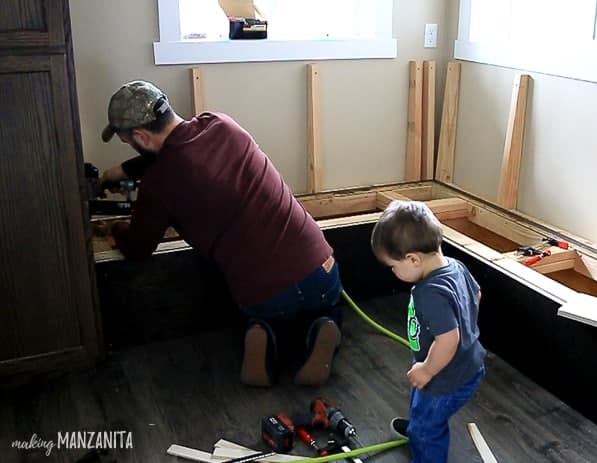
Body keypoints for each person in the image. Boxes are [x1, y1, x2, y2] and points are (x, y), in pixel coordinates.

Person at [98, 80, 342, 387]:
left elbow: (138, 248)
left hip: (264, 294)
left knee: (258, 316)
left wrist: (114, 229)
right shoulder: (221, 124)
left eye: (128, 141)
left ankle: (262, 333)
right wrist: (124, 170)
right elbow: (182, 150)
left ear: (141, 136)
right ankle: (323, 326)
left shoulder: (158, 185)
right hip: (320, 267)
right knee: (326, 308)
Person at [370, 200, 486, 463]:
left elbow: (448, 339)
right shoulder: (456, 266)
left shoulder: (429, 293)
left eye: (393, 266)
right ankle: (417, 424)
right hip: (467, 363)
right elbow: (476, 295)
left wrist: (428, 369)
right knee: (420, 397)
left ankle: (421, 436)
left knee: (428, 429)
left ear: (413, 259)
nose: (393, 272)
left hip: (445, 377)